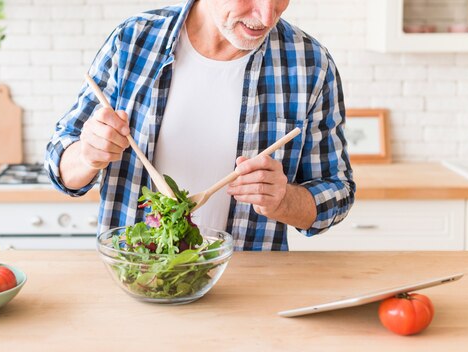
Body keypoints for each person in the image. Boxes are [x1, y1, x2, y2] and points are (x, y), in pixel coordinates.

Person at [45, 0, 355, 251]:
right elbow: (61, 165)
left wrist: (283, 199)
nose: (266, 14)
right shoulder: (134, 39)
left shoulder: (309, 64)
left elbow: (337, 193)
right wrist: (87, 155)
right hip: (135, 278)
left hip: (248, 291)